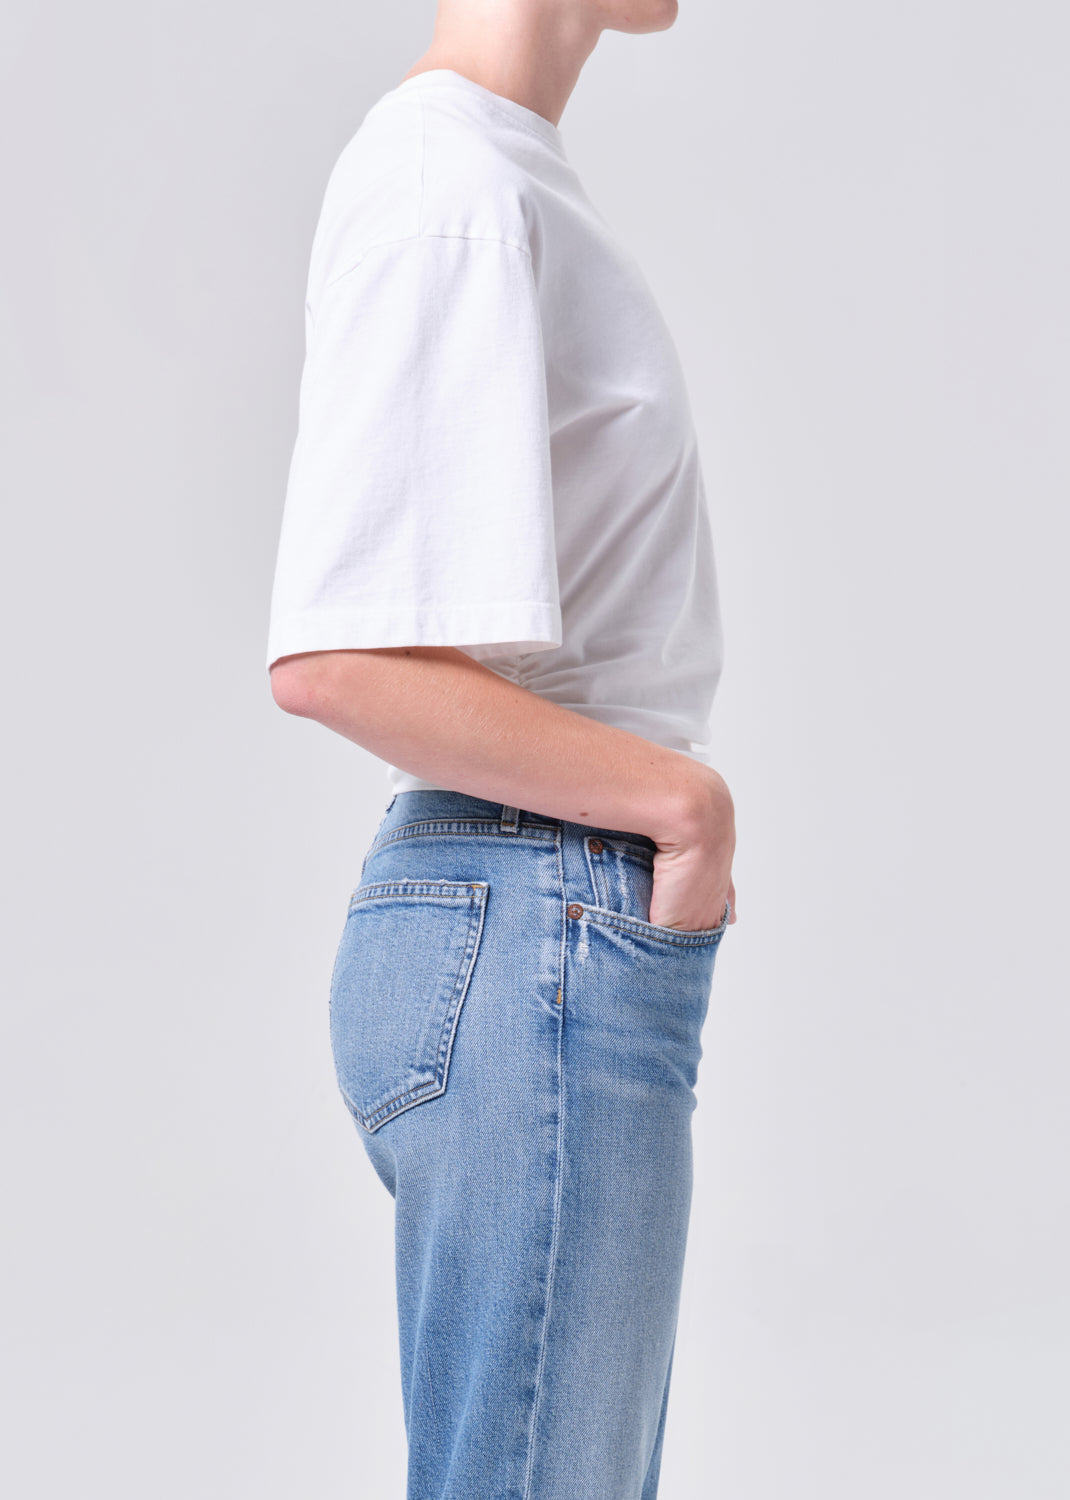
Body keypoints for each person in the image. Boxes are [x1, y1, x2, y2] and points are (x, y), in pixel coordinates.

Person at [266, 2, 737, 1495]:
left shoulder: (490, 172)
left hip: (532, 916)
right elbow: (339, 658)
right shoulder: (450, 181)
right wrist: (683, 803)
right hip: (536, 918)